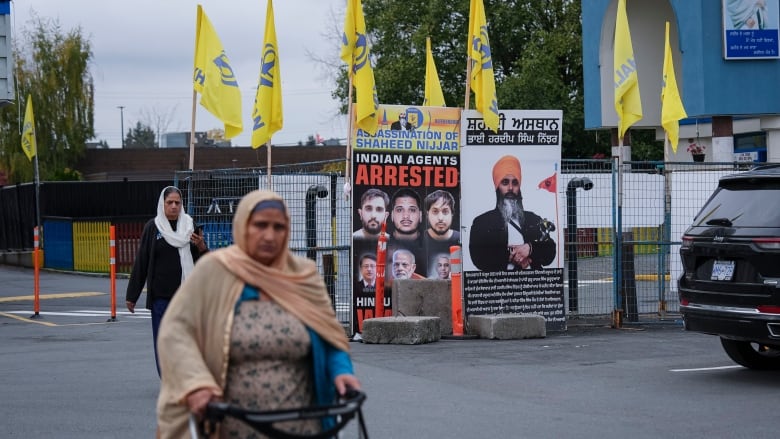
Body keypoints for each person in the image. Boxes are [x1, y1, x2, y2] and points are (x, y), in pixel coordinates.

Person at [155, 189, 360, 438]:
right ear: (243, 226)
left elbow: (328, 335)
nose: (270, 235)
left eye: (279, 227)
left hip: (303, 426)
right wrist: (196, 384)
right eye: (261, 225)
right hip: (231, 426)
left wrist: (342, 371)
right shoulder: (214, 272)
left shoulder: (303, 275)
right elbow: (176, 332)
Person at [125, 186, 208, 377]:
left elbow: (203, 263)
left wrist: (201, 246)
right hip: (160, 297)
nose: (173, 206)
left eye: (177, 203)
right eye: (169, 202)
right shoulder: (153, 228)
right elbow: (142, 262)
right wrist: (132, 296)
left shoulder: (189, 226)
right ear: (162, 204)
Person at [469, 155, 556, 271]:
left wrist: (530, 249)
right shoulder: (482, 222)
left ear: (519, 187)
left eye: (515, 183)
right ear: (497, 187)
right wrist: (513, 255)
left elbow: (549, 253)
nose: (510, 188)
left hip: (532, 283)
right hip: (497, 284)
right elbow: (478, 257)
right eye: (505, 182)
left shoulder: (533, 219)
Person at [422, 190, 461, 257]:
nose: (440, 218)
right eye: (435, 211)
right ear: (427, 214)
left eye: (445, 211)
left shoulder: (461, 239)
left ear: (452, 213)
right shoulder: (418, 240)